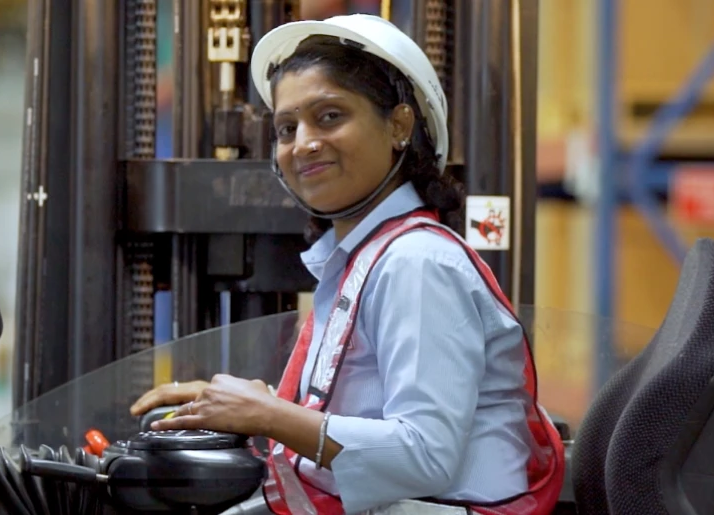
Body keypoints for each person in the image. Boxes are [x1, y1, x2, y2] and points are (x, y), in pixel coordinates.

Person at [129, 14, 565, 515]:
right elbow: (370, 413)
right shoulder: (366, 260)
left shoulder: (418, 263)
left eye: (330, 116)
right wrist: (249, 407)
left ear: (400, 125)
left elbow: (424, 455)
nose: (304, 143)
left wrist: (269, 415)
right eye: (287, 128)